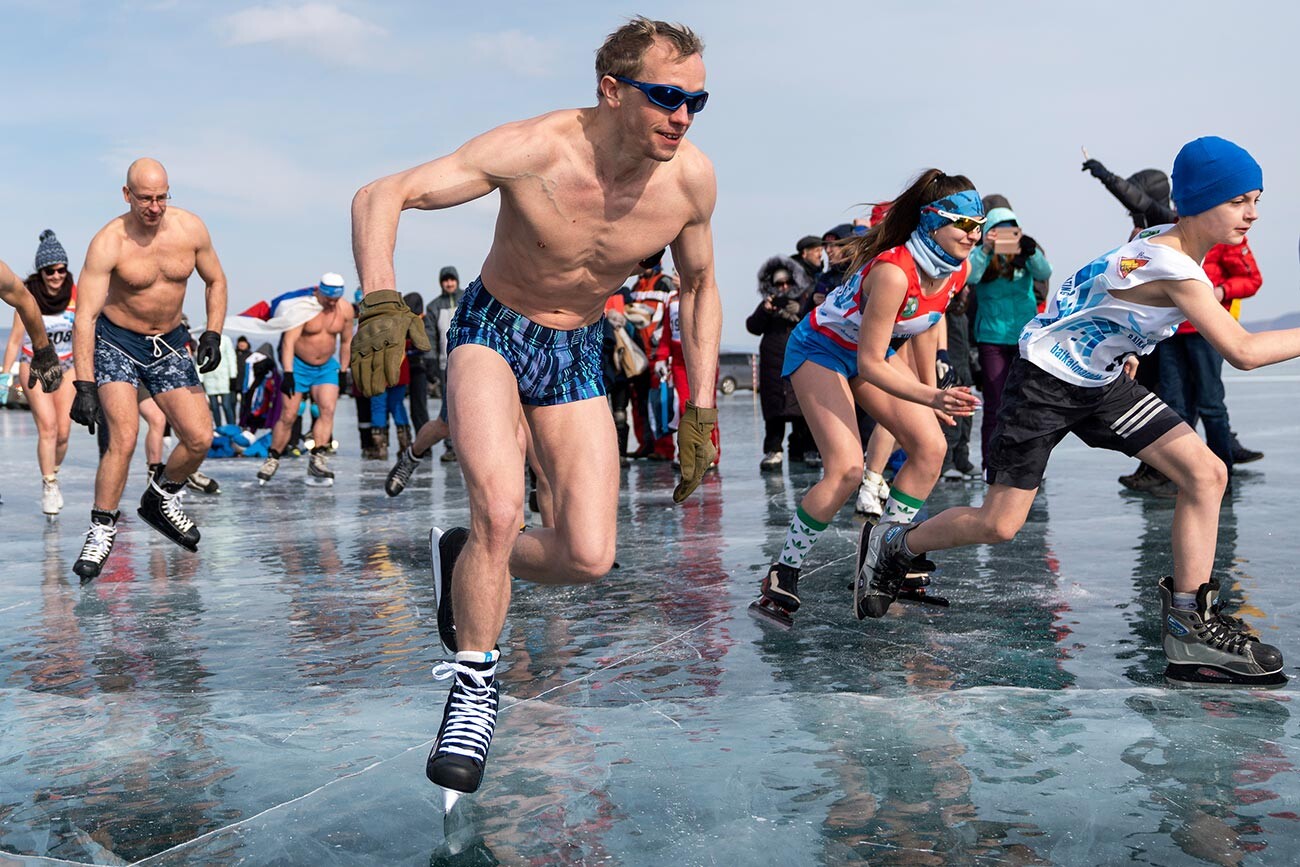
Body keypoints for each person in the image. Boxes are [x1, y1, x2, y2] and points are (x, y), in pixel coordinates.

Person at [350, 16, 720, 808]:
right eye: (666, 97)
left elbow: (699, 287)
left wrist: (701, 406)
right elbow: (385, 193)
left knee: (588, 555)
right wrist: (379, 297)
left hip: (578, 348)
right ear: (612, 91)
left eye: (696, 100)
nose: (682, 116)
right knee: (499, 503)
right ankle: (475, 689)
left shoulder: (690, 182)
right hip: (494, 330)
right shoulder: (535, 149)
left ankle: (466, 562)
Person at [862, 137, 1288, 689]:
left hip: (1101, 381)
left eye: (1256, 199)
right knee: (1001, 524)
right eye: (1239, 201)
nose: (1252, 213)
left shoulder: (1159, 241)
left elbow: (1094, 289)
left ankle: (1189, 627)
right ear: (1202, 199)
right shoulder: (1174, 266)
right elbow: (1244, 351)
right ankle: (893, 544)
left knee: (1206, 473)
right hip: (1044, 382)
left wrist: (1124, 344)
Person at [752, 171, 982, 628]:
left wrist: (929, 389)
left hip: (871, 353)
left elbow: (923, 325)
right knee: (847, 469)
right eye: (963, 224)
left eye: (980, 225)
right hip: (821, 348)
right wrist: (931, 396)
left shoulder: (959, 268)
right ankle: (783, 571)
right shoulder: (894, 272)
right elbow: (872, 363)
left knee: (931, 447)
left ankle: (884, 556)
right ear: (932, 221)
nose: (973, 236)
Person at [68, 158, 227, 580]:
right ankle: (101, 529)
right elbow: (84, 317)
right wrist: (84, 384)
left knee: (199, 438)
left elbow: (216, 280)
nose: (154, 207)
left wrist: (212, 332)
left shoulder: (190, 229)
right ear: (127, 195)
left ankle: (160, 499)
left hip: (169, 343)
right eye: (145, 199)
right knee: (124, 436)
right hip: (117, 341)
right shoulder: (109, 242)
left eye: (161, 197)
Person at [966, 205, 1052, 474]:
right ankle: (990, 464)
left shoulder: (1025, 254)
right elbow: (969, 277)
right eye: (997, 231)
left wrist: (1031, 250)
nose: (1004, 236)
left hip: (1024, 339)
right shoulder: (980, 256)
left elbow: (1044, 273)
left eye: (1010, 230)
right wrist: (985, 249)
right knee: (995, 403)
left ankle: (1026, 463)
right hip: (992, 338)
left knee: (1027, 402)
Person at [1, 231, 77, 514]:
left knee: (64, 431)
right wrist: (5, 375)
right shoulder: (28, 295)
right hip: (32, 364)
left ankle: (53, 470)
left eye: (61, 269)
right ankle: (49, 483)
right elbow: (14, 341)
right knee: (48, 427)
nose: (57, 275)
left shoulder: (75, 294)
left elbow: (83, 336)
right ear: (41, 272)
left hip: (67, 366)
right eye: (50, 270)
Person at [256, 273, 354, 487]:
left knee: (327, 410)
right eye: (328, 298)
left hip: (327, 367)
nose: (331, 303)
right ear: (319, 292)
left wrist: (344, 371)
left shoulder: (345, 310)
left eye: (335, 300)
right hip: (299, 366)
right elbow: (289, 342)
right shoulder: (303, 309)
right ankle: (272, 458)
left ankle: (317, 458)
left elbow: (346, 342)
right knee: (289, 415)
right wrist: (288, 373)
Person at [746, 256, 812, 471]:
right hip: (773, 364)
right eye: (778, 284)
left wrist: (799, 312)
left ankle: (805, 449)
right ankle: (774, 450)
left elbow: (815, 322)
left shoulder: (804, 301)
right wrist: (765, 310)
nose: (783, 288)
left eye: (787, 283)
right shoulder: (768, 305)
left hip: (799, 361)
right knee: (774, 409)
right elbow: (753, 326)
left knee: (803, 408)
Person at [426, 266, 463, 462]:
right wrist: (430, 358)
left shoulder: (466, 299)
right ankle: (451, 446)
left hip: (468, 363)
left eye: (452, 280)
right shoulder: (433, 306)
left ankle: (470, 445)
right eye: (445, 280)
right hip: (445, 364)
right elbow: (430, 335)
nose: (449, 283)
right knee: (448, 407)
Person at [198, 327, 237, 427]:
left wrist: (233, 375)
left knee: (226, 405)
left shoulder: (226, 339)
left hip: (223, 377)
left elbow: (231, 357)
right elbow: (200, 359)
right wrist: (200, 378)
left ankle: (231, 426)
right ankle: (219, 428)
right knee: (214, 407)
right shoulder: (203, 339)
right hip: (209, 377)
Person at [404, 292, 431, 432]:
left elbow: (426, 348)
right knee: (414, 409)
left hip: (420, 369)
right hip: (407, 369)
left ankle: (424, 445)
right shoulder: (403, 325)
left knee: (419, 408)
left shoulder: (424, 324)